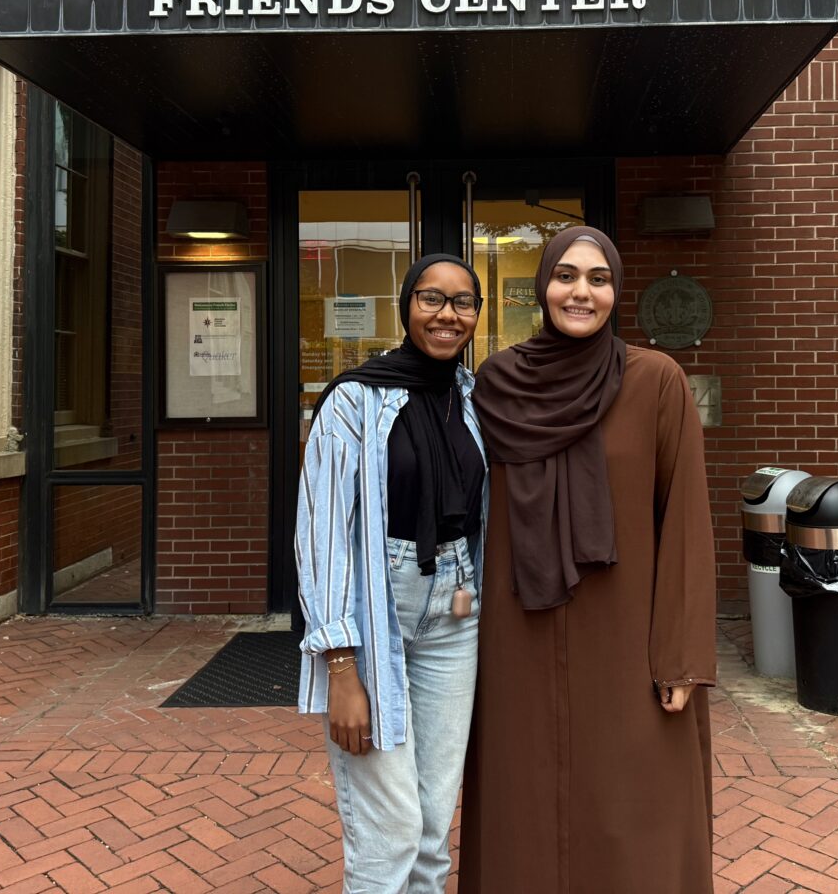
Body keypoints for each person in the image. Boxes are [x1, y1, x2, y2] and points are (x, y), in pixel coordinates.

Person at [460, 226, 715, 893]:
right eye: (565, 275)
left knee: (640, 805)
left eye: (598, 279)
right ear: (542, 287)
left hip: (627, 635)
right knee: (524, 805)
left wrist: (680, 653)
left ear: (616, 290)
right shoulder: (498, 383)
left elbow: (684, 520)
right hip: (517, 631)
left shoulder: (655, 381)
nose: (581, 292)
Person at [294, 253, 488, 894]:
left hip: (456, 614)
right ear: (407, 307)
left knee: (434, 825)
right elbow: (319, 535)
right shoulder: (355, 399)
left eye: (463, 302)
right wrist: (341, 669)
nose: (447, 314)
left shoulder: (471, 399)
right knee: (391, 829)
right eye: (432, 298)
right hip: (377, 611)